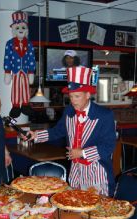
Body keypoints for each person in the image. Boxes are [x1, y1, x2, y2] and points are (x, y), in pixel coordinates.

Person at [26, 66, 116, 197]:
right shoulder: (69, 111)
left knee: (96, 210)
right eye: (71, 96)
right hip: (75, 170)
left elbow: (108, 146)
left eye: (77, 96)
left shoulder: (104, 115)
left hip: (96, 171)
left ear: (88, 94)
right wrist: (36, 135)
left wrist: (82, 152)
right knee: (74, 204)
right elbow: (58, 131)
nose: (73, 101)